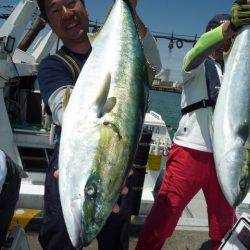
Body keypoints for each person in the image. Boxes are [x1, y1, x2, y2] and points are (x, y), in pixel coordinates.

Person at [36, 0, 162, 249]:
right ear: (50, 24)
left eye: (71, 3)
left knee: (115, 242)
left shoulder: (122, 48)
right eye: (54, 10)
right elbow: (64, 109)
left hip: (116, 168)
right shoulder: (53, 66)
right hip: (78, 163)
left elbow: (155, 65)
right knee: (60, 240)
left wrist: (129, 8)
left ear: (85, 7)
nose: (66, 14)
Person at [136, 1, 250, 250]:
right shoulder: (195, 66)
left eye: (231, 38)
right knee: (163, 219)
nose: (226, 42)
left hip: (224, 160)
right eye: (223, 35)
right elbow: (197, 51)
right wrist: (229, 27)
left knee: (223, 226)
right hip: (189, 153)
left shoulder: (236, 71)